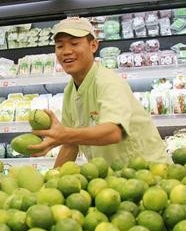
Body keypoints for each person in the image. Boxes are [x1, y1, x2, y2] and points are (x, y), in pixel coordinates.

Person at [29, 17, 168, 167]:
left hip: (147, 172)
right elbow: (71, 144)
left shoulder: (107, 81)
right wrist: (52, 180)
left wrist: (65, 135)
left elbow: (113, 132)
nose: (66, 51)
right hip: (110, 179)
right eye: (60, 46)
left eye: (74, 43)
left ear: (93, 45)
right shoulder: (70, 90)